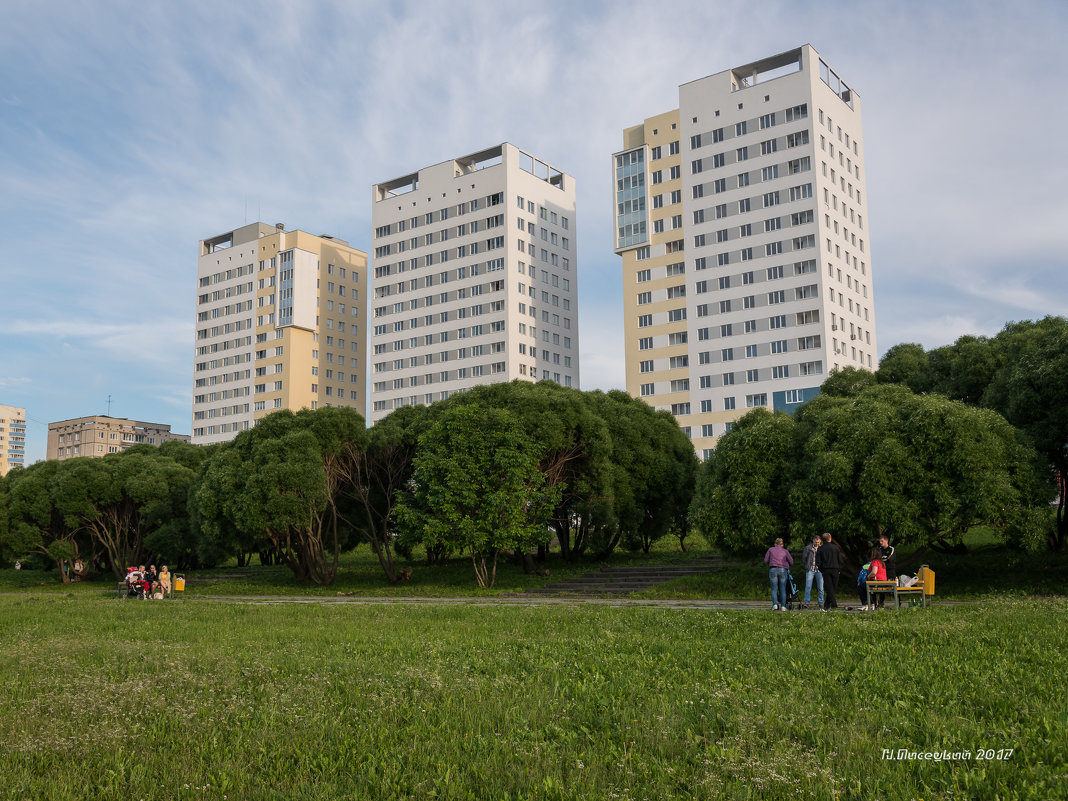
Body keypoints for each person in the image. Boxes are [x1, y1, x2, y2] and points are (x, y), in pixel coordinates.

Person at [764, 537, 794, 611]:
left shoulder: (770, 550)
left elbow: (766, 560)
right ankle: (783, 606)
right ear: (782, 544)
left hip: (773, 569)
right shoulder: (785, 551)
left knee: (774, 589)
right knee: (782, 589)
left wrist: (771, 563)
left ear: (775, 544)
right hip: (783, 570)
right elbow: (791, 562)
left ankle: (775, 605)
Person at [816, 532, 844, 610]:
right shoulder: (835, 548)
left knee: (829, 588)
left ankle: (826, 605)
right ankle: (834, 605)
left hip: (825, 570)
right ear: (830, 539)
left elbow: (818, 562)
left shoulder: (820, 549)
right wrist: (839, 569)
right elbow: (840, 560)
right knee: (833, 588)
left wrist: (822, 570)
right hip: (835, 570)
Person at [801, 534, 824, 609]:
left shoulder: (822, 548)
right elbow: (804, 559)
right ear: (813, 541)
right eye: (815, 542)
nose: (817, 543)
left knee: (820, 587)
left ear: (820, 541)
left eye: (818, 542)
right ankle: (806, 602)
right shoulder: (808, 548)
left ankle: (821, 602)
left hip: (819, 570)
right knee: (808, 586)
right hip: (810, 569)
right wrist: (807, 566)